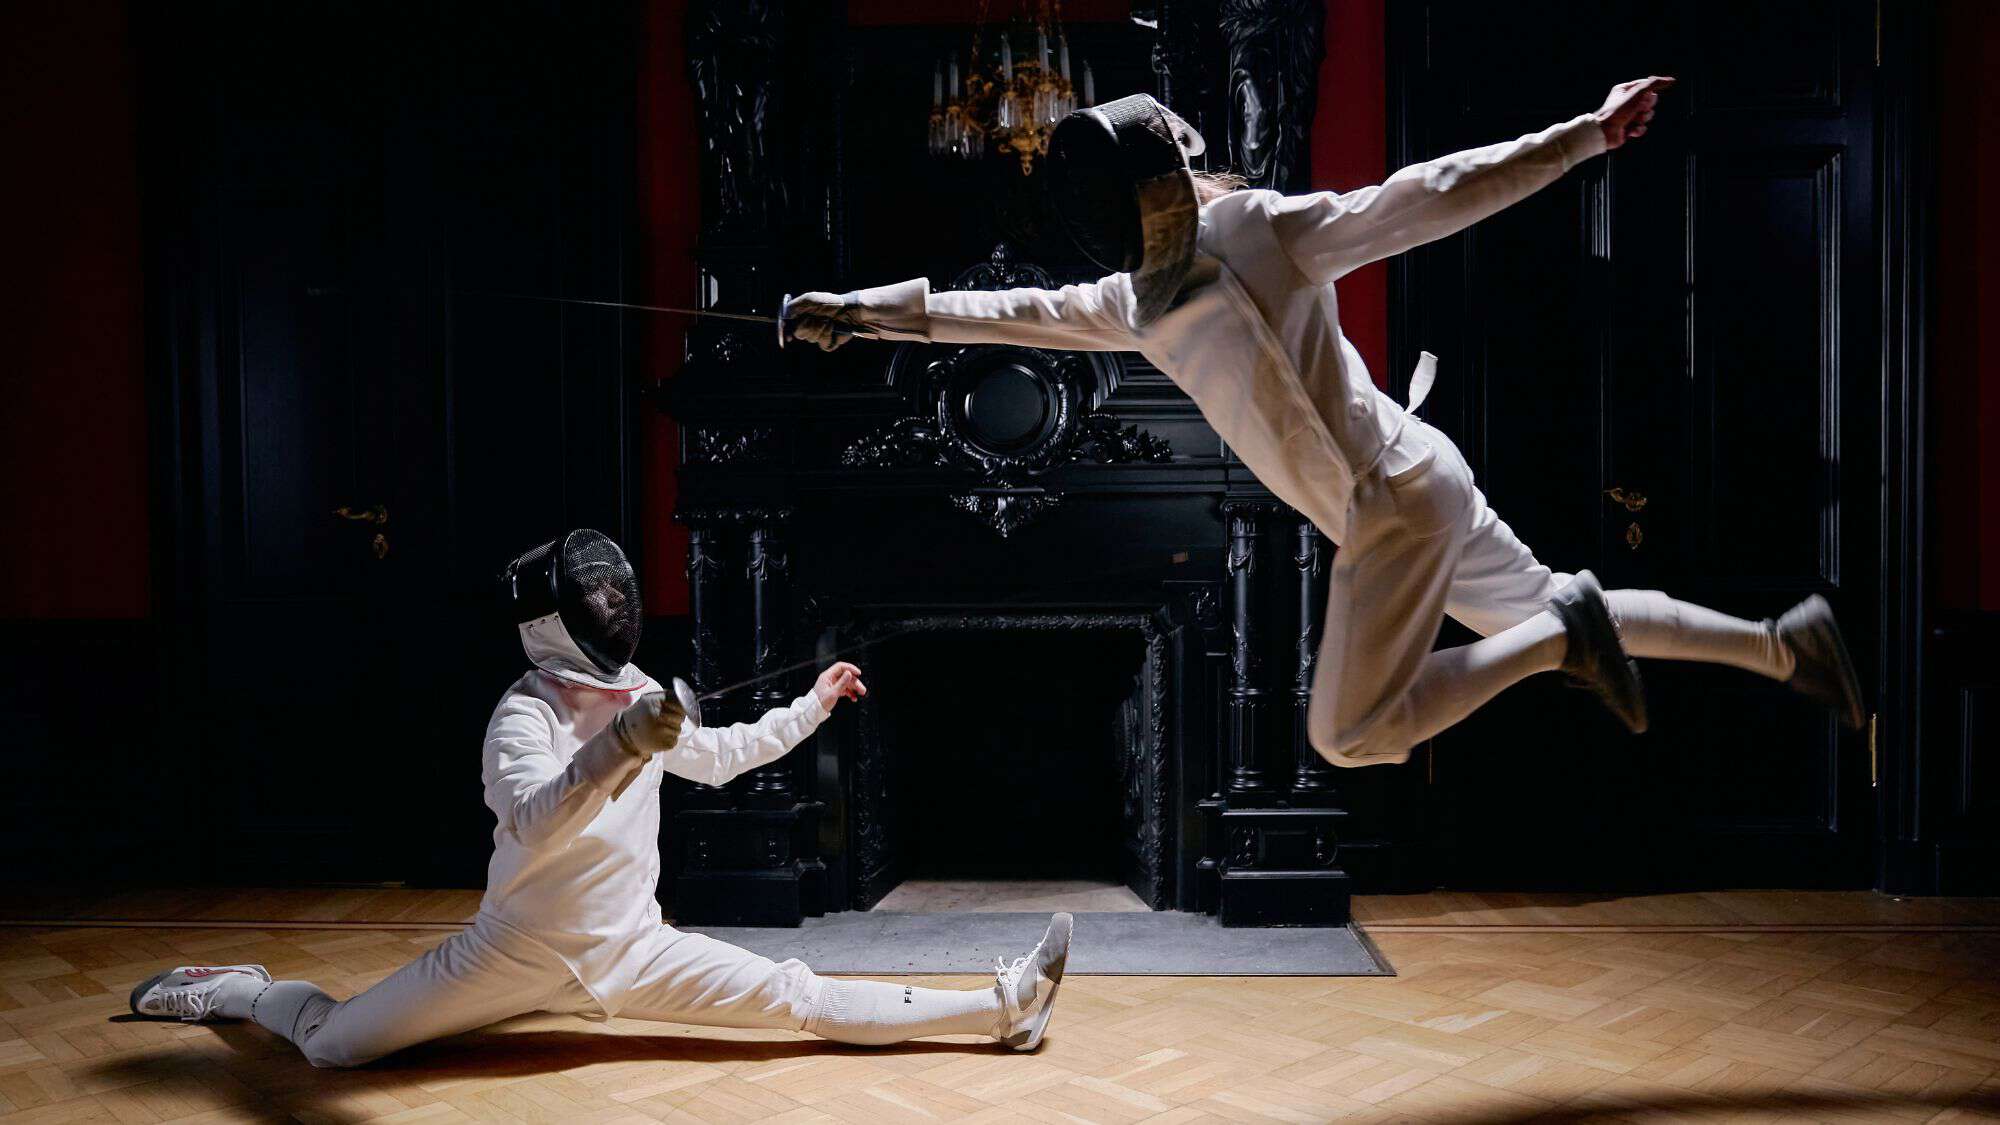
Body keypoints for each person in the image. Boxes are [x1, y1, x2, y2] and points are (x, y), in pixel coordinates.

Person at [785, 81, 1864, 768]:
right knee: (1536, 618)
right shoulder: (1127, 302)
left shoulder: (1257, 230)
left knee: (1349, 735)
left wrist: (1579, 137)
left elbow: (1425, 194)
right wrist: (859, 312)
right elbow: (1001, 310)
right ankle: (1780, 646)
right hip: (1414, 479)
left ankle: (1559, 639)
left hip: (1390, 505)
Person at [130, 530, 1071, 1065]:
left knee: (798, 996)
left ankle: (1001, 1006)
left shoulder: (639, 698)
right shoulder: (522, 716)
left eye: (618, 592)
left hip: (634, 947)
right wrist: (623, 745)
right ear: (554, 621)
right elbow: (536, 821)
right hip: (512, 949)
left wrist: (811, 704)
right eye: (598, 597)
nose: (618, 605)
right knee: (333, 1047)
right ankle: (244, 991)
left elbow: (721, 755)